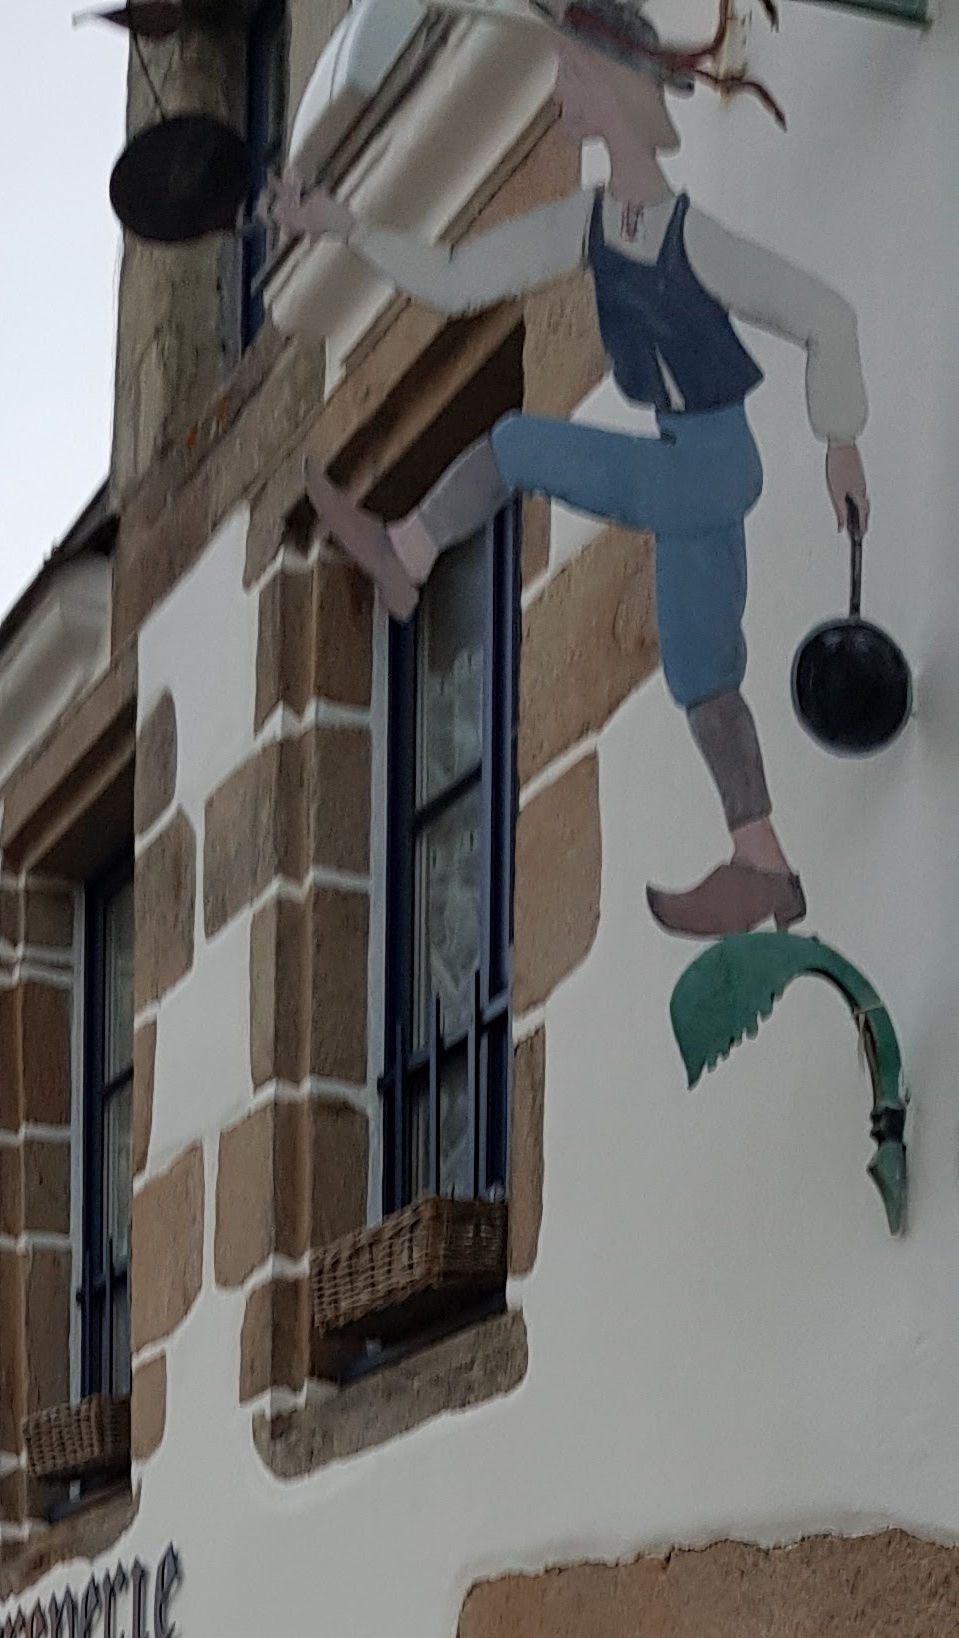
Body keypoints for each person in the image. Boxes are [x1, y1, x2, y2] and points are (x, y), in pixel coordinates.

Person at [269, 0, 870, 937]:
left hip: (710, 464)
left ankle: (406, 552)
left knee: (518, 444)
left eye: (569, 76)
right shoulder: (590, 225)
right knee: (703, 675)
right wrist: (346, 226)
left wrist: (840, 440)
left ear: (605, 84)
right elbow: (458, 279)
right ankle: (765, 865)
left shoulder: (690, 238)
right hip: (690, 472)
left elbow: (826, 317)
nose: (558, 96)